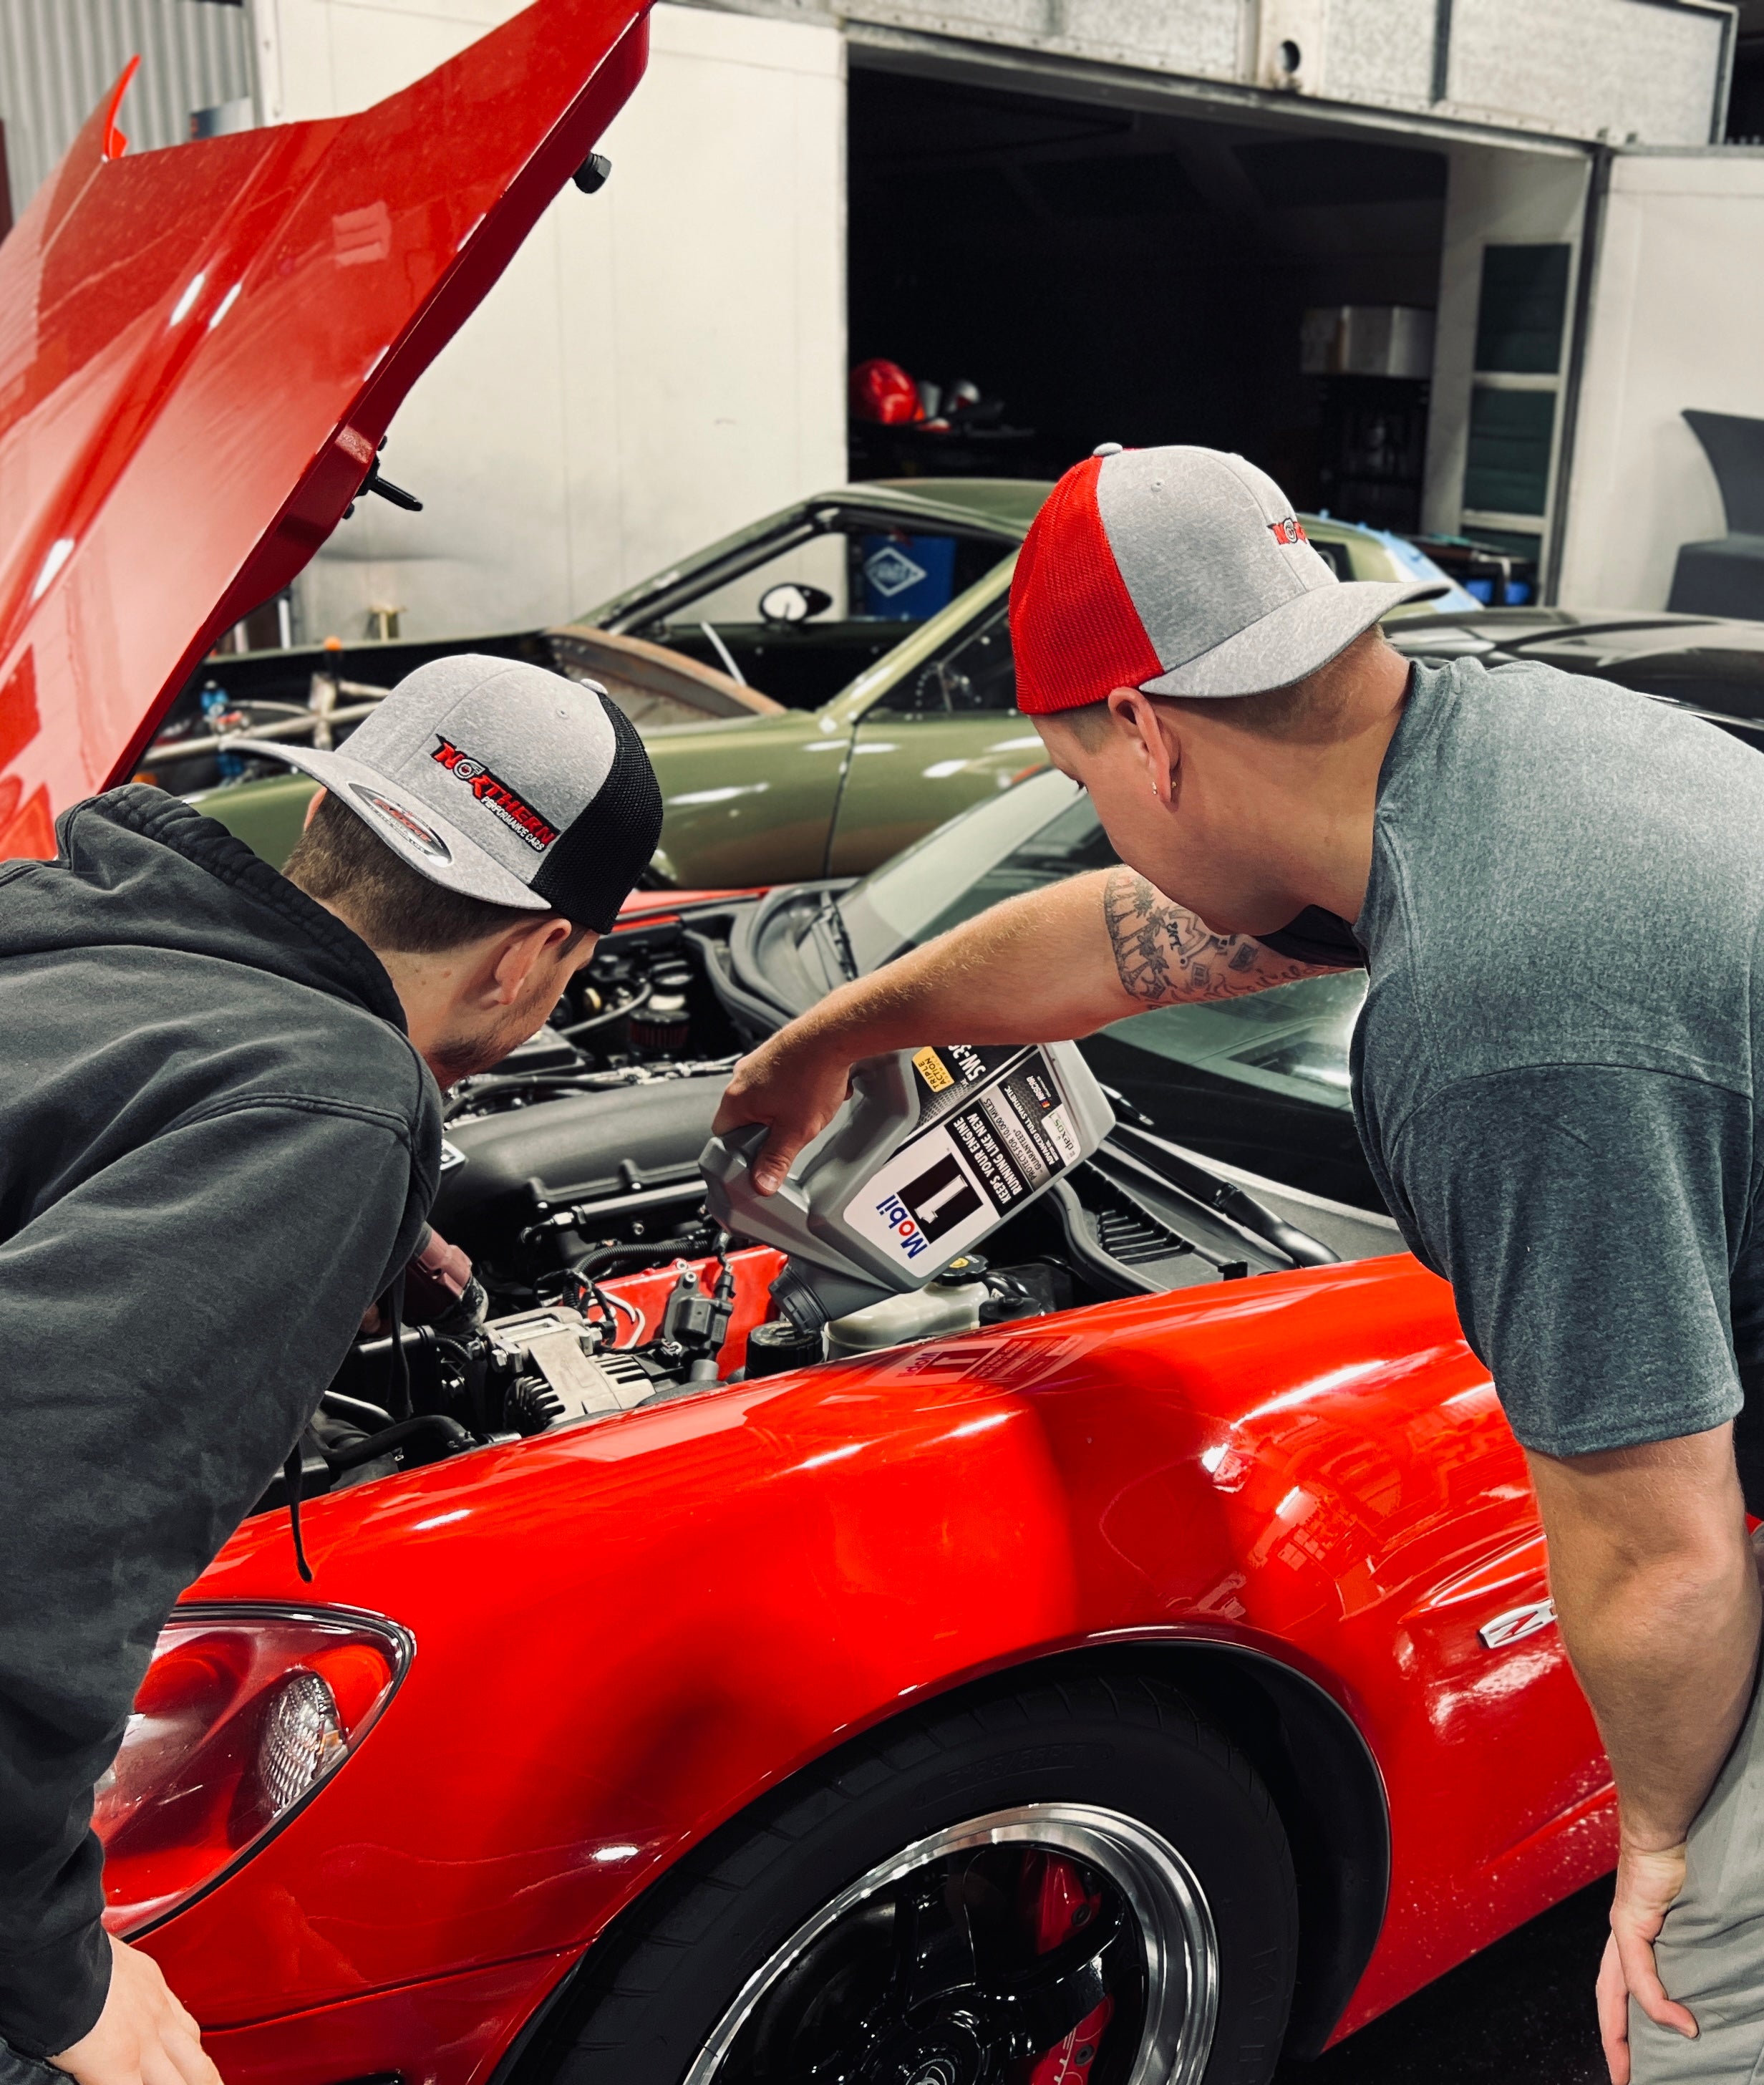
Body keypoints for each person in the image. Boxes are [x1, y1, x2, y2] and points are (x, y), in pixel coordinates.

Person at [715, 444, 1764, 2085]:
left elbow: (1657, 1556)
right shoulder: (1477, 757)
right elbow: (1118, 937)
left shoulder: (1504, 1019)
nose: (1101, 818)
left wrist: (1654, 1848)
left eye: (1079, 775)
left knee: (1687, 2009)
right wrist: (831, 1037)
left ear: (1144, 733)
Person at [0, 657, 661, 2085]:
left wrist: (339, 1203)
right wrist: (53, 1979)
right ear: (533, 956)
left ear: (328, 819)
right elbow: (23, 1562)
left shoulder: (55, 915)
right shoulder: (332, 1110)